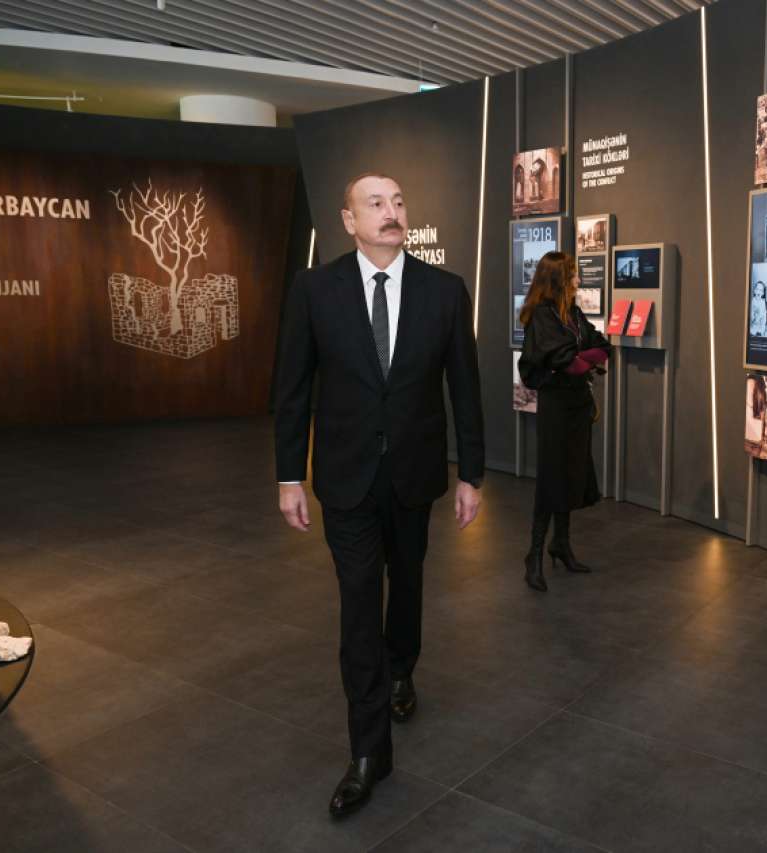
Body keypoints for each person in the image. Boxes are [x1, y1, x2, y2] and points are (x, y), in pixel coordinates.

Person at [273, 173, 484, 819]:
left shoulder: (444, 291)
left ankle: (403, 667)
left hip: (415, 475)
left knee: (408, 582)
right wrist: (288, 476)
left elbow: (465, 388)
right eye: (375, 203)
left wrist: (472, 474)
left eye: (397, 202)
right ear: (348, 219)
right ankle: (369, 752)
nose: (391, 212)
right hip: (346, 479)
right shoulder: (315, 289)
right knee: (359, 604)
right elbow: (293, 387)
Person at [517, 252, 609, 592]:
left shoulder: (572, 312)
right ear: (558, 279)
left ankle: (561, 543)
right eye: (573, 275)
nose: (578, 280)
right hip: (556, 407)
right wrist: (580, 360)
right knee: (551, 478)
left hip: (578, 405)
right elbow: (567, 361)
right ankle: (534, 555)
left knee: (572, 473)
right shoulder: (542, 316)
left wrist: (581, 359)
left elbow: (601, 347)